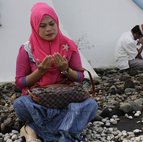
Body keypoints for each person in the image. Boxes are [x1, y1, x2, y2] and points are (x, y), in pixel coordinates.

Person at [13, 2, 98, 142]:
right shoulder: (27, 49)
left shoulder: (69, 45)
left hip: (67, 99)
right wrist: (40, 71)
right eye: (43, 25)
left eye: (52, 24)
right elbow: (20, 82)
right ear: (35, 26)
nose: (49, 29)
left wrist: (65, 70)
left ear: (57, 22)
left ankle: (33, 129)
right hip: (39, 101)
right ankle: (66, 133)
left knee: (91, 105)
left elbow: (79, 77)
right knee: (20, 105)